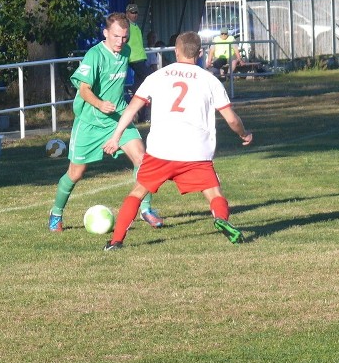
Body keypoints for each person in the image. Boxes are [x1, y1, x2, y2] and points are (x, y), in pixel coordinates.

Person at [100, 31, 253, 251]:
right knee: (214, 193)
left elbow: (132, 108)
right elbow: (231, 118)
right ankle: (221, 218)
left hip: (161, 150)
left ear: (175, 51)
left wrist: (116, 137)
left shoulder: (157, 76)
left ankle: (116, 241)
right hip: (195, 151)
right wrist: (243, 134)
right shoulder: (209, 79)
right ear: (200, 53)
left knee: (137, 192)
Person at [48, 12, 163, 233]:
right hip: (90, 121)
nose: (121, 42)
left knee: (143, 159)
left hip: (118, 117)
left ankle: (146, 209)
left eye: (125, 37)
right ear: (106, 33)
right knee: (76, 173)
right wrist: (100, 104)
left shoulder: (126, 51)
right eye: (117, 37)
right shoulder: (94, 55)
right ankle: (56, 213)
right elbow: (83, 89)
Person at [125, 4, 152, 122]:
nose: (134, 15)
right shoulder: (127, 27)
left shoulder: (135, 26)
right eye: (132, 12)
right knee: (152, 79)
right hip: (134, 60)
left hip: (140, 59)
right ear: (127, 13)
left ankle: (142, 117)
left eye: (136, 13)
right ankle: (143, 116)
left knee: (140, 90)